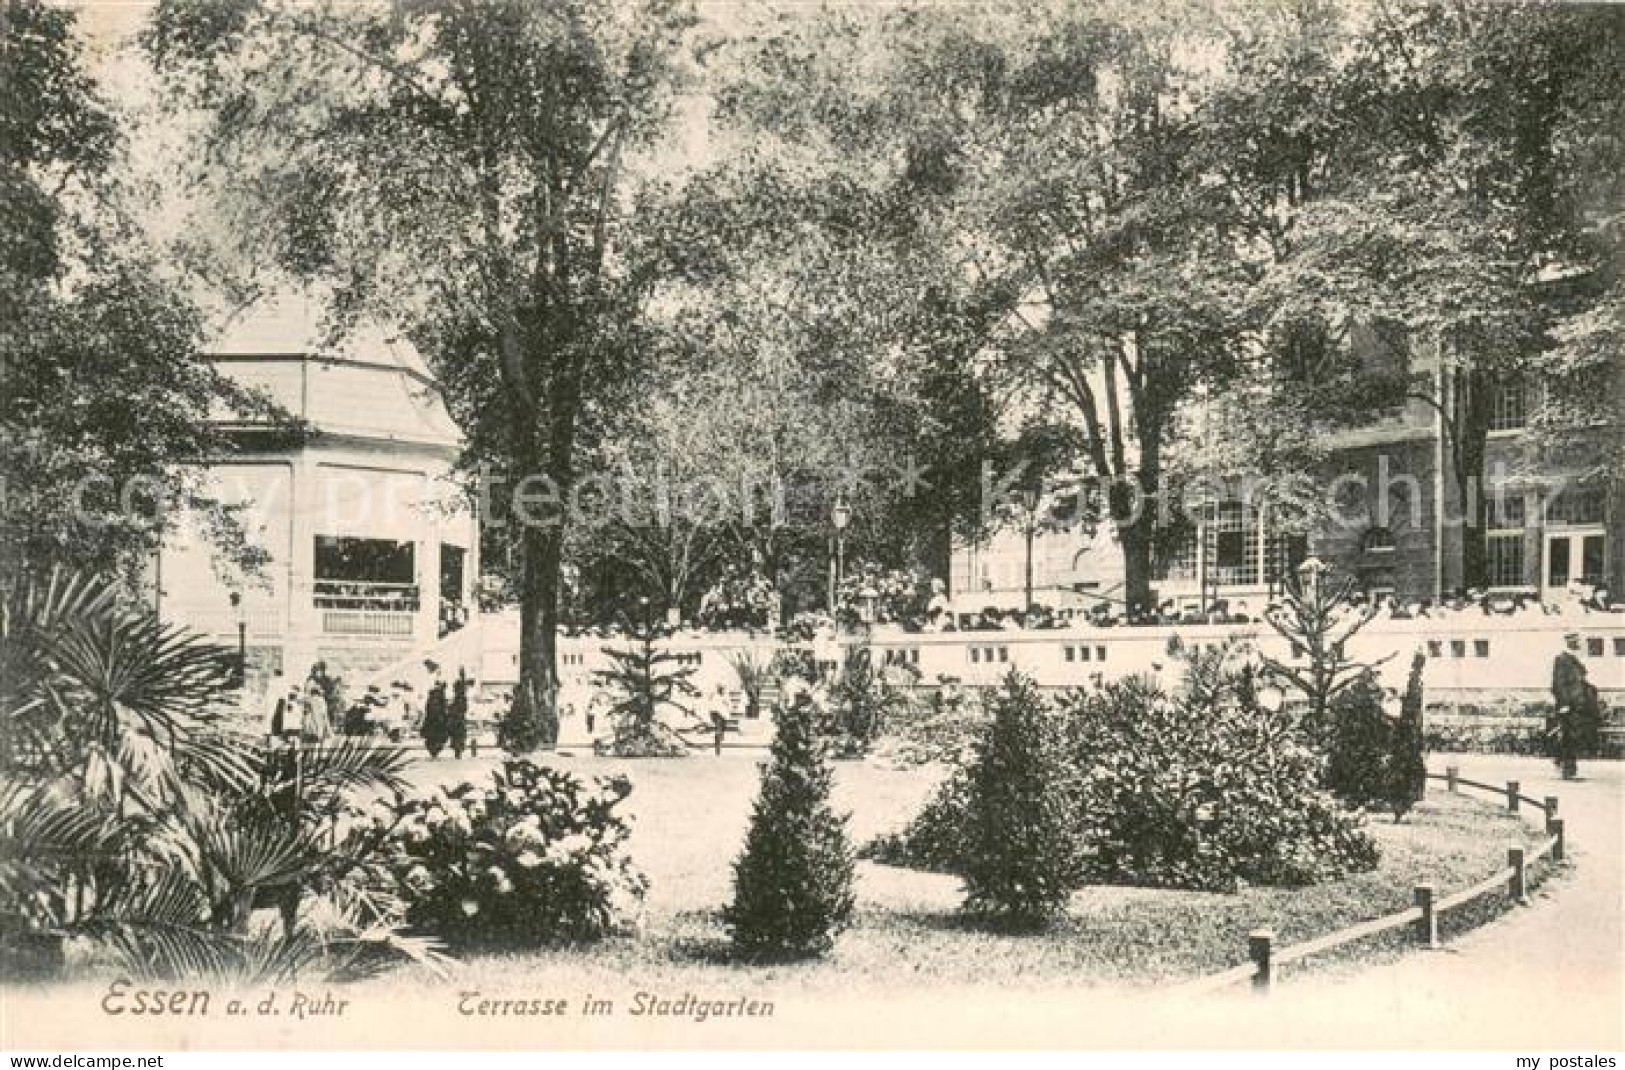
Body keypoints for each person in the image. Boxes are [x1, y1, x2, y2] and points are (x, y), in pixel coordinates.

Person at [1549, 634, 1602, 780]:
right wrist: (1564, 704)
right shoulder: (1561, 660)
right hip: (1569, 706)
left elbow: (1579, 683)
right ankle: (1568, 770)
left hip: (1579, 705)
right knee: (1569, 737)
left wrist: (1591, 690)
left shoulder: (1574, 660)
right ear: (1569, 642)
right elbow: (1557, 684)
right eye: (1575, 641)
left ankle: (1563, 762)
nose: (1579, 643)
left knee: (1575, 736)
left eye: (1578, 641)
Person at [421, 675, 450, 758]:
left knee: (434, 736)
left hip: (433, 719)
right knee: (436, 736)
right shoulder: (439, 695)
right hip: (437, 719)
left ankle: (433, 751)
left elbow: (429, 706)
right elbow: (440, 707)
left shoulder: (434, 695)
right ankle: (434, 751)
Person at [448, 670, 471, 759]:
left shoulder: (460, 697)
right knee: (458, 736)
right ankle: (458, 751)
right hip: (459, 720)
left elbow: (461, 708)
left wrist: (451, 709)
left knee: (457, 735)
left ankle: (457, 751)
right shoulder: (461, 697)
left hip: (458, 720)